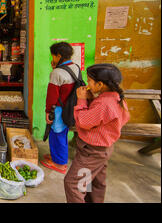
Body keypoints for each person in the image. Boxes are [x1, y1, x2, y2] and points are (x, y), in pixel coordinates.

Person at [64, 63, 130, 203]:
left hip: (91, 151)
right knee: (93, 183)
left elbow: (83, 121)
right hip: (104, 149)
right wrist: (91, 98)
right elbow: (107, 117)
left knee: (73, 184)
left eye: (89, 81)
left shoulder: (104, 104)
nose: (88, 83)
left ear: (100, 84)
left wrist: (81, 100)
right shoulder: (115, 98)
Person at [40, 42, 81, 174]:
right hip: (70, 107)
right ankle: (56, 156)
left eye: (53, 56)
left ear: (59, 56)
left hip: (58, 109)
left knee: (58, 135)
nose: (52, 59)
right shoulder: (75, 67)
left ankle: (60, 163)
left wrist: (47, 111)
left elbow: (52, 96)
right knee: (61, 133)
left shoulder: (57, 73)